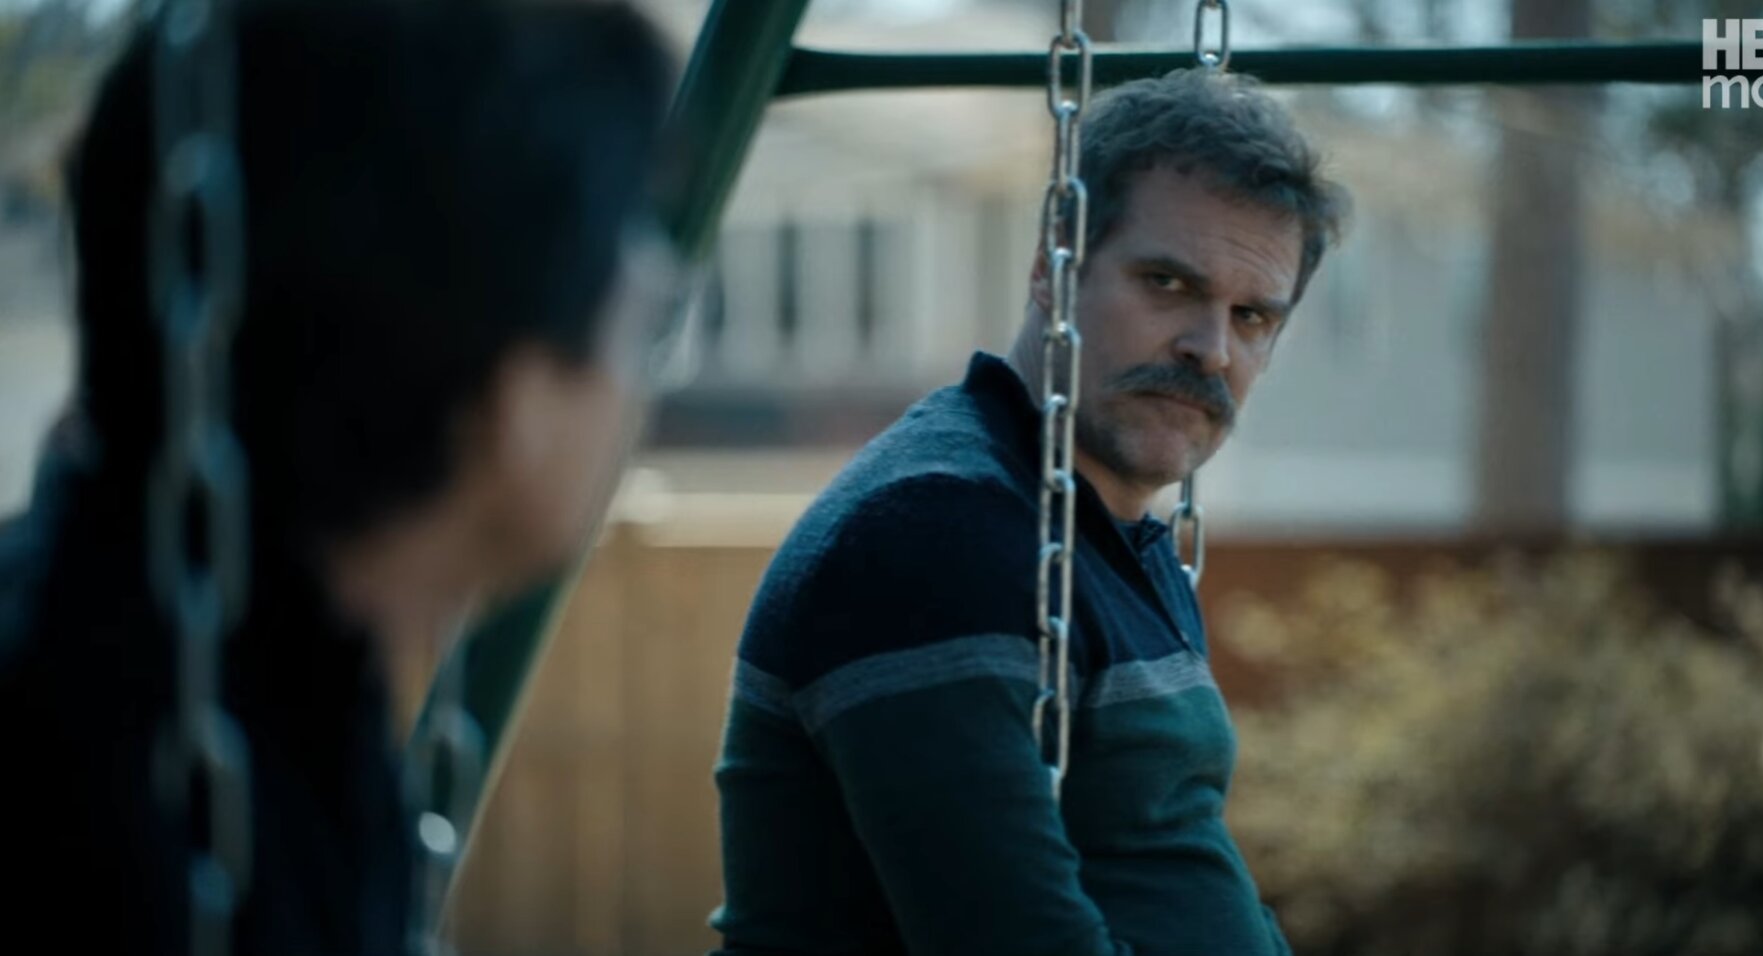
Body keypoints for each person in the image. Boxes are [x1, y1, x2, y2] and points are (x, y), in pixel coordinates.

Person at [0, 0, 683, 952]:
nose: (642, 384)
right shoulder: (129, 800)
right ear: (514, 402)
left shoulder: (260, 685)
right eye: (641, 318)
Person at [709, 68, 1347, 956]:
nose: (1210, 348)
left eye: (1251, 317)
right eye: (1166, 283)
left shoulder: (1104, 539)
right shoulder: (936, 533)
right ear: (1053, 268)